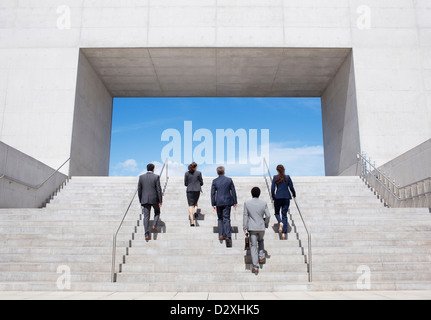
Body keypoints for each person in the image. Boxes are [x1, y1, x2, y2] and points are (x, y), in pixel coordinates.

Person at [243, 187, 271, 275]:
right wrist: (265, 223)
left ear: (252, 193)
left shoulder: (247, 203)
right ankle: (261, 256)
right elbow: (268, 215)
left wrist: (245, 227)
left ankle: (255, 266)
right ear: (259, 194)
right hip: (261, 227)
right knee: (261, 240)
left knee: (254, 246)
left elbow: (245, 216)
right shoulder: (263, 203)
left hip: (252, 228)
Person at [211, 166, 237, 248]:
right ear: (224, 171)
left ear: (217, 172)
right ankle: (228, 235)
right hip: (227, 201)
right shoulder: (229, 180)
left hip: (219, 202)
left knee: (220, 218)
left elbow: (212, 193)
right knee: (226, 218)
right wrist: (234, 202)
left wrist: (213, 203)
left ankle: (221, 234)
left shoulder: (215, 181)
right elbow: (233, 191)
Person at [138, 163, 163, 241]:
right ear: (153, 169)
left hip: (145, 199)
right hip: (154, 198)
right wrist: (160, 200)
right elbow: (158, 189)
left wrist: (141, 200)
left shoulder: (141, 177)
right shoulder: (156, 177)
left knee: (146, 216)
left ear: (147, 169)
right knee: (157, 212)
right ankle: (154, 224)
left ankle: (146, 234)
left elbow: (139, 190)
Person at [271, 164, 296, 240]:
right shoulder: (287, 177)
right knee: (284, 214)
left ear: (277, 170)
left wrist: (273, 196)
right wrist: (294, 194)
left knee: (277, 213)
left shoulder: (275, 177)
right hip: (286, 198)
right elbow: (291, 187)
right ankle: (284, 233)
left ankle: (280, 222)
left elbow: (272, 189)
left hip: (278, 197)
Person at [184, 162, 203, 227]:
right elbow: (201, 182)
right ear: (195, 167)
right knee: (195, 202)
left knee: (190, 205)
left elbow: (185, 184)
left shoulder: (186, 173)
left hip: (189, 190)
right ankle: (195, 212)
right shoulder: (199, 173)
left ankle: (192, 222)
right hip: (197, 190)